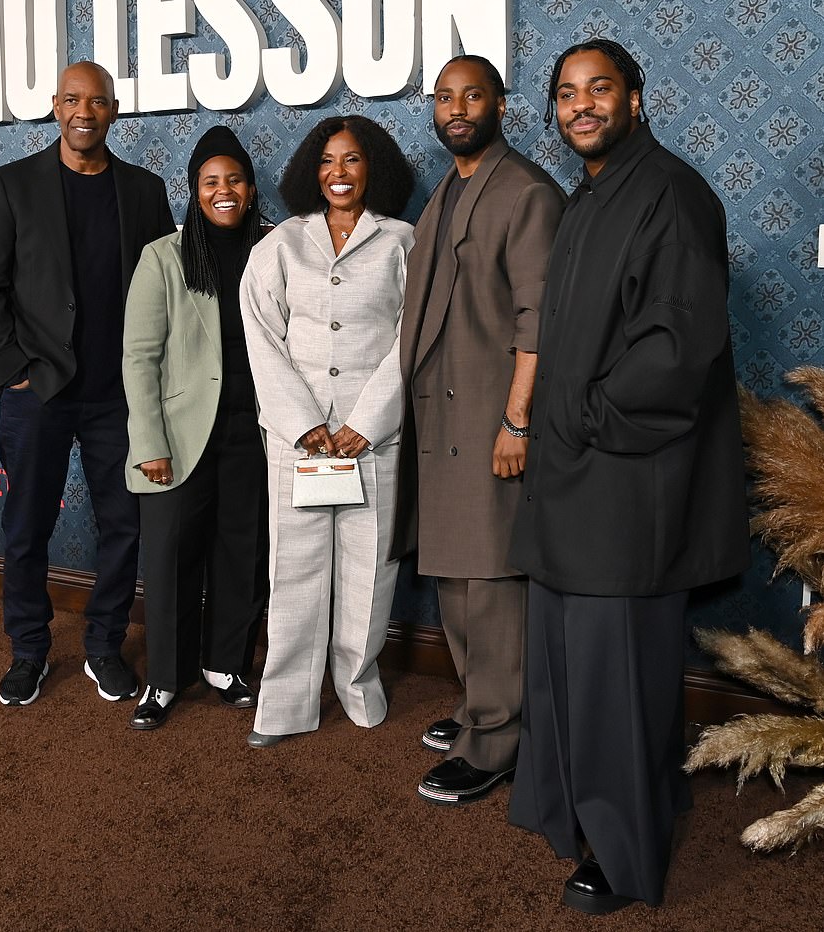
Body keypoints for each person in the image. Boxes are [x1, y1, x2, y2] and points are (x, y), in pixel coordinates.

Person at [507, 39, 750, 914]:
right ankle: (585, 807)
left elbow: (676, 353)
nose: (581, 106)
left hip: (624, 484)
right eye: (566, 94)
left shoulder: (673, 194)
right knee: (570, 666)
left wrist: (578, 417)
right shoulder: (588, 197)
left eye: (598, 89)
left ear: (636, 99)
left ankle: (622, 851)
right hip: (574, 479)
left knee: (617, 678)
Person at [0, 61, 176, 707]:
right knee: (26, 528)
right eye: (70, 100)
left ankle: (104, 646)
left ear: (114, 110)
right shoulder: (12, 184)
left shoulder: (144, 190)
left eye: (96, 101)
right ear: (55, 107)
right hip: (41, 394)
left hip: (118, 394)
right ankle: (28, 651)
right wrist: (14, 375)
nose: (83, 112)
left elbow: (163, 290)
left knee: (124, 526)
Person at [389, 55, 565, 804]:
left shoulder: (524, 191)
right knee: (458, 579)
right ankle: (477, 709)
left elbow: (540, 319)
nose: (457, 108)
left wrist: (516, 421)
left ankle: (497, 740)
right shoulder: (450, 190)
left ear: (501, 104)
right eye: (445, 97)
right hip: (442, 421)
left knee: (491, 584)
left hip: (492, 420)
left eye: (473, 95)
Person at [239, 115, 415, 746]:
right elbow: (262, 339)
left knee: (370, 574)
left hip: (371, 442)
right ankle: (284, 706)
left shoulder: (401, 242)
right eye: (327, 162)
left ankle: (359, 688)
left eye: (352, 161)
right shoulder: (281, 244)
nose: (338, 174)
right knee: (294, 573)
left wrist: (366, 424)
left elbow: (411, 342)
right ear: (310, 171)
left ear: (376, 169)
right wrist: (305, 424)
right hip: (300, 445)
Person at [122, 126, 269, 730]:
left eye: (234, 179)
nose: (224, 190)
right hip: (181, 435)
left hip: (253, 433)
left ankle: (224, 664)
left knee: (243, 550)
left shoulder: (274, 248)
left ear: (252, 189)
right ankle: (164, 678)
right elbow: (139, 357)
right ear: (194, 191)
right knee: (171, 557)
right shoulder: (164, 255)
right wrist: (149, 443)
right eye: (211, 182)